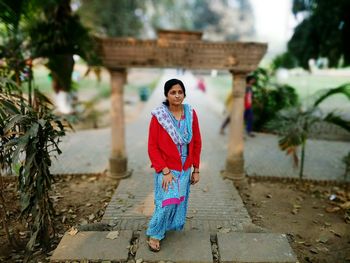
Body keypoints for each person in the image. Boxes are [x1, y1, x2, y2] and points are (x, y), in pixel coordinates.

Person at [146, 78, 202, 252]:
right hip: (167, 169)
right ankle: (155, 233)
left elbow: (197, 142)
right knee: (167, 202)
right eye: (173, 92)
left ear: (184, 94)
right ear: (166, 95)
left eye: (180, 92)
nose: (177, 95)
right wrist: (164, 170)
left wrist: (196, 169)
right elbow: (152, 146)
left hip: (185, 169)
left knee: (178, 201)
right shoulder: (159, 116)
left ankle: (163, 226)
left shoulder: (191, 113)